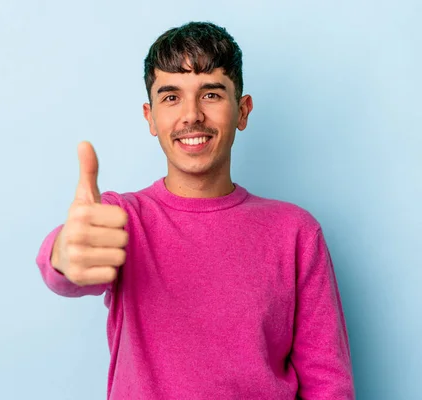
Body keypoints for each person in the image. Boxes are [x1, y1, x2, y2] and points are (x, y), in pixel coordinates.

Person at [36, 21, 355, 399]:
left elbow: (327, 384)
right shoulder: (122, 219)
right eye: (171, 97)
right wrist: (64, 254)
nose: (191, 115)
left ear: (243, 110)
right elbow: (69, 263)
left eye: (211, 95)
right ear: (150, 116)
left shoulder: (296, 232)